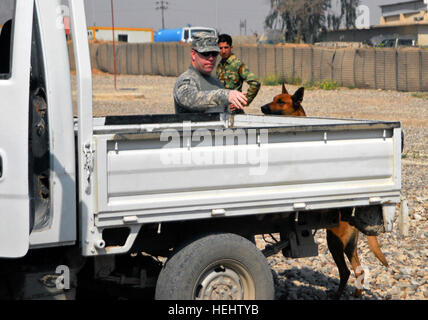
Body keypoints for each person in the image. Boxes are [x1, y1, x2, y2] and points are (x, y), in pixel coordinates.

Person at [173, 32, 247, 114]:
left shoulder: (216, 83)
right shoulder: (187, 79)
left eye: (214, 54)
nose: (211, 58)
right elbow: (188, 99)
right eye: (206, 53)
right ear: (193, 54)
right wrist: (224, 95)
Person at [216, 34, 261, 114]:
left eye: (226, 47)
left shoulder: (237, 64)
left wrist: (243, 101)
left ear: (231, 48)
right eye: (220, 48)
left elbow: (255, 82)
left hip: (235, 112)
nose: (223, 51)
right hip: (222, 110)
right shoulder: (220, 66)